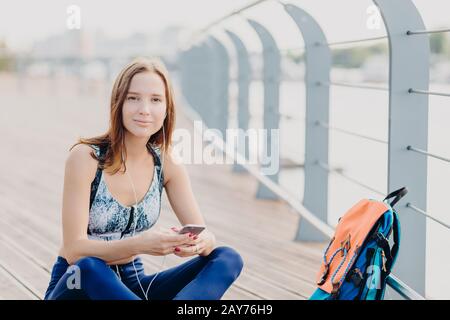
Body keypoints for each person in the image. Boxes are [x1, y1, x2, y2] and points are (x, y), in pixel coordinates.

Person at [44, 57, 244, 300]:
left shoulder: (167, 162)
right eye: (133, 98)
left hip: (134, 285)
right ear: (118, 102)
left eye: (156, 100)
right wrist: (141, 244)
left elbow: (202, 233)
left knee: (227, 257)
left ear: (167, 109)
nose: (144, 109)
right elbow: (74, 250)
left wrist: (201, 242)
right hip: (79, 284)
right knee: (89, 266)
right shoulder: (85, 157)